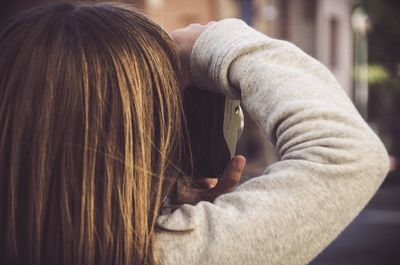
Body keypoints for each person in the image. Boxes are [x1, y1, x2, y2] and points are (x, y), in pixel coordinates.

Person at [0, 2, 389, 265]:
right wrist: (218, 43)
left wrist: (158, 201)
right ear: (143, 132)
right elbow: (348, 156)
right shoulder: (175, 252)